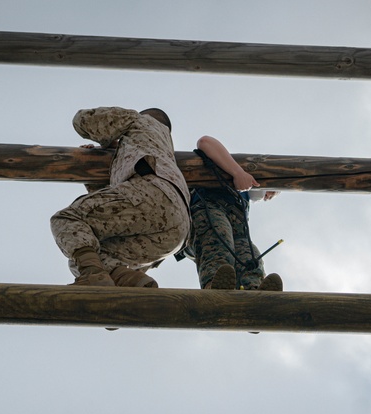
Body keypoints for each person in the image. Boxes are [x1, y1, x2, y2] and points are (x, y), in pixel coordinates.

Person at [50, 107, 190, 287]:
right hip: (176, 234)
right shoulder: (162, 149)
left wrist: (106, 140)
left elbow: (83, 120)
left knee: (68, 218)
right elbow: (118, 213)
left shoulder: (138, 120)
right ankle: (132, 280)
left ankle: (94, 277)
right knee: (88, 255)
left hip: (152, 193)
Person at [188, 135, 282, 291]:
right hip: (209, 206)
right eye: (269, 193)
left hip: (236, 220)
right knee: (218, 242)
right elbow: (205, 142)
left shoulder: (243, 201)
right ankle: (215, 288)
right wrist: (238, 172)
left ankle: (254, 290)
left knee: (250, 255)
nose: (265, 197)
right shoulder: (227, 167)